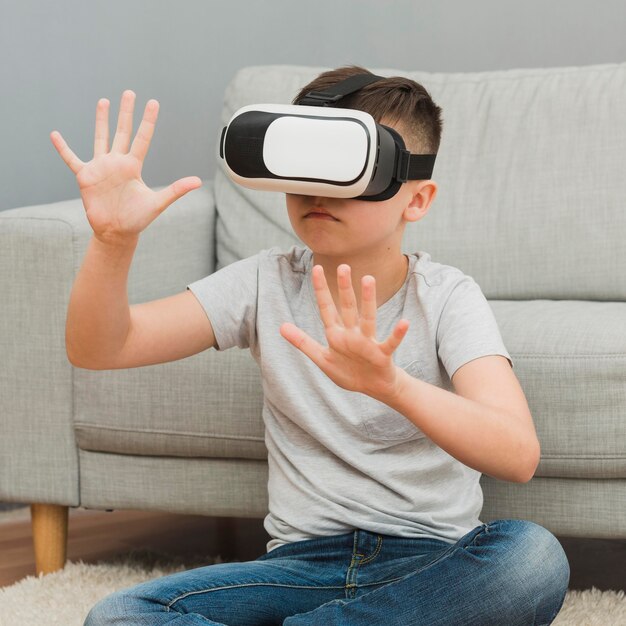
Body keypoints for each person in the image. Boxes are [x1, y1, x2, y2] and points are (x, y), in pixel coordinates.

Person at [51, 66, 570, 625]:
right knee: (124, 612)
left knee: (532, 557)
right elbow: (102, 348)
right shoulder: (263, 282)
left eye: (349, 169)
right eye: (307, 166)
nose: (320, 191)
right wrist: (113, 241)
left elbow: (517, 455)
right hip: (300, 568)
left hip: (432, 568)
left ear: (416, 200)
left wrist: (390, 385)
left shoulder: (447, 297)